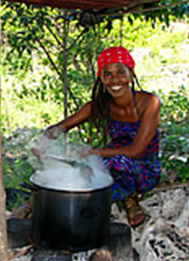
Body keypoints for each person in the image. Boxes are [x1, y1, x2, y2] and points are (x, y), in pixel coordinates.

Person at [44, 46, 161, 228]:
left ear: (130, 73)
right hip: (111, 163)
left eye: (120, 72)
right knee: (81, 172)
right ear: (100, 77)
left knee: (114, 163)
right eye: (107, 74)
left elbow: (136, 151)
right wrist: (42, 141)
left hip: (143, 169)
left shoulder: (150, 103)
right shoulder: (100, 105)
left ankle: (130, 200)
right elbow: (60, 128)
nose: (115, 80)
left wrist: (92, 152)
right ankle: (35, 204)